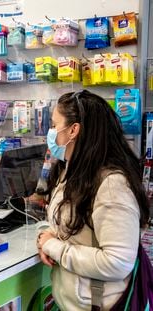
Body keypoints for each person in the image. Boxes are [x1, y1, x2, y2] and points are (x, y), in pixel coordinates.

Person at [36, 90, 150, 310]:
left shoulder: (111, 185)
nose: (50, 133)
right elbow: (62, 223)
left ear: (73, 130)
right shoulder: (71, 170)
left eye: (53, 124)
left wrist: (53, 247)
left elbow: (117, 262)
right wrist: (46, 235)